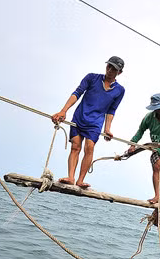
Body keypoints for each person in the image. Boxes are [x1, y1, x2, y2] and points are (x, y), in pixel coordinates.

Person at [51, 56, 125, 189]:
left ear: (119, 72)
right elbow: (77, 93)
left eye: (114, 69)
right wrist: (63, 111)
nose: (110, 70)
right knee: (75, 146)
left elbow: (111, 110)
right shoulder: (92, 77)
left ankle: (80, 180)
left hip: (96, 122)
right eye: (109, 66)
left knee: (89, 147)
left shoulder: (120, 90)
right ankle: (71, 177)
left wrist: (107, 129)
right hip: (80, 116)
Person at [127, 93, 160, 204]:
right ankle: (157, 196)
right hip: (157, 147)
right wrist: (133, 144)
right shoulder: (149, 117)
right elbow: (140, 131)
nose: (157, 110)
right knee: (157, 166)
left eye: (159, 108)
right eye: (155, 108)